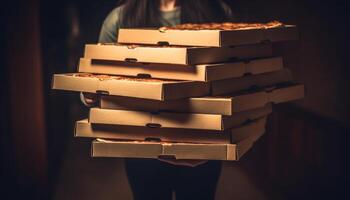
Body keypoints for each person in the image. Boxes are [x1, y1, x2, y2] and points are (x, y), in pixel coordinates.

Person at [82, 0, 234, 199]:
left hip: (202, 141)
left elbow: (234, 78)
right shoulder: (119, 18)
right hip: (142, 143)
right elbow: (95, 78)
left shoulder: (218, 11)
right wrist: (90, 94)